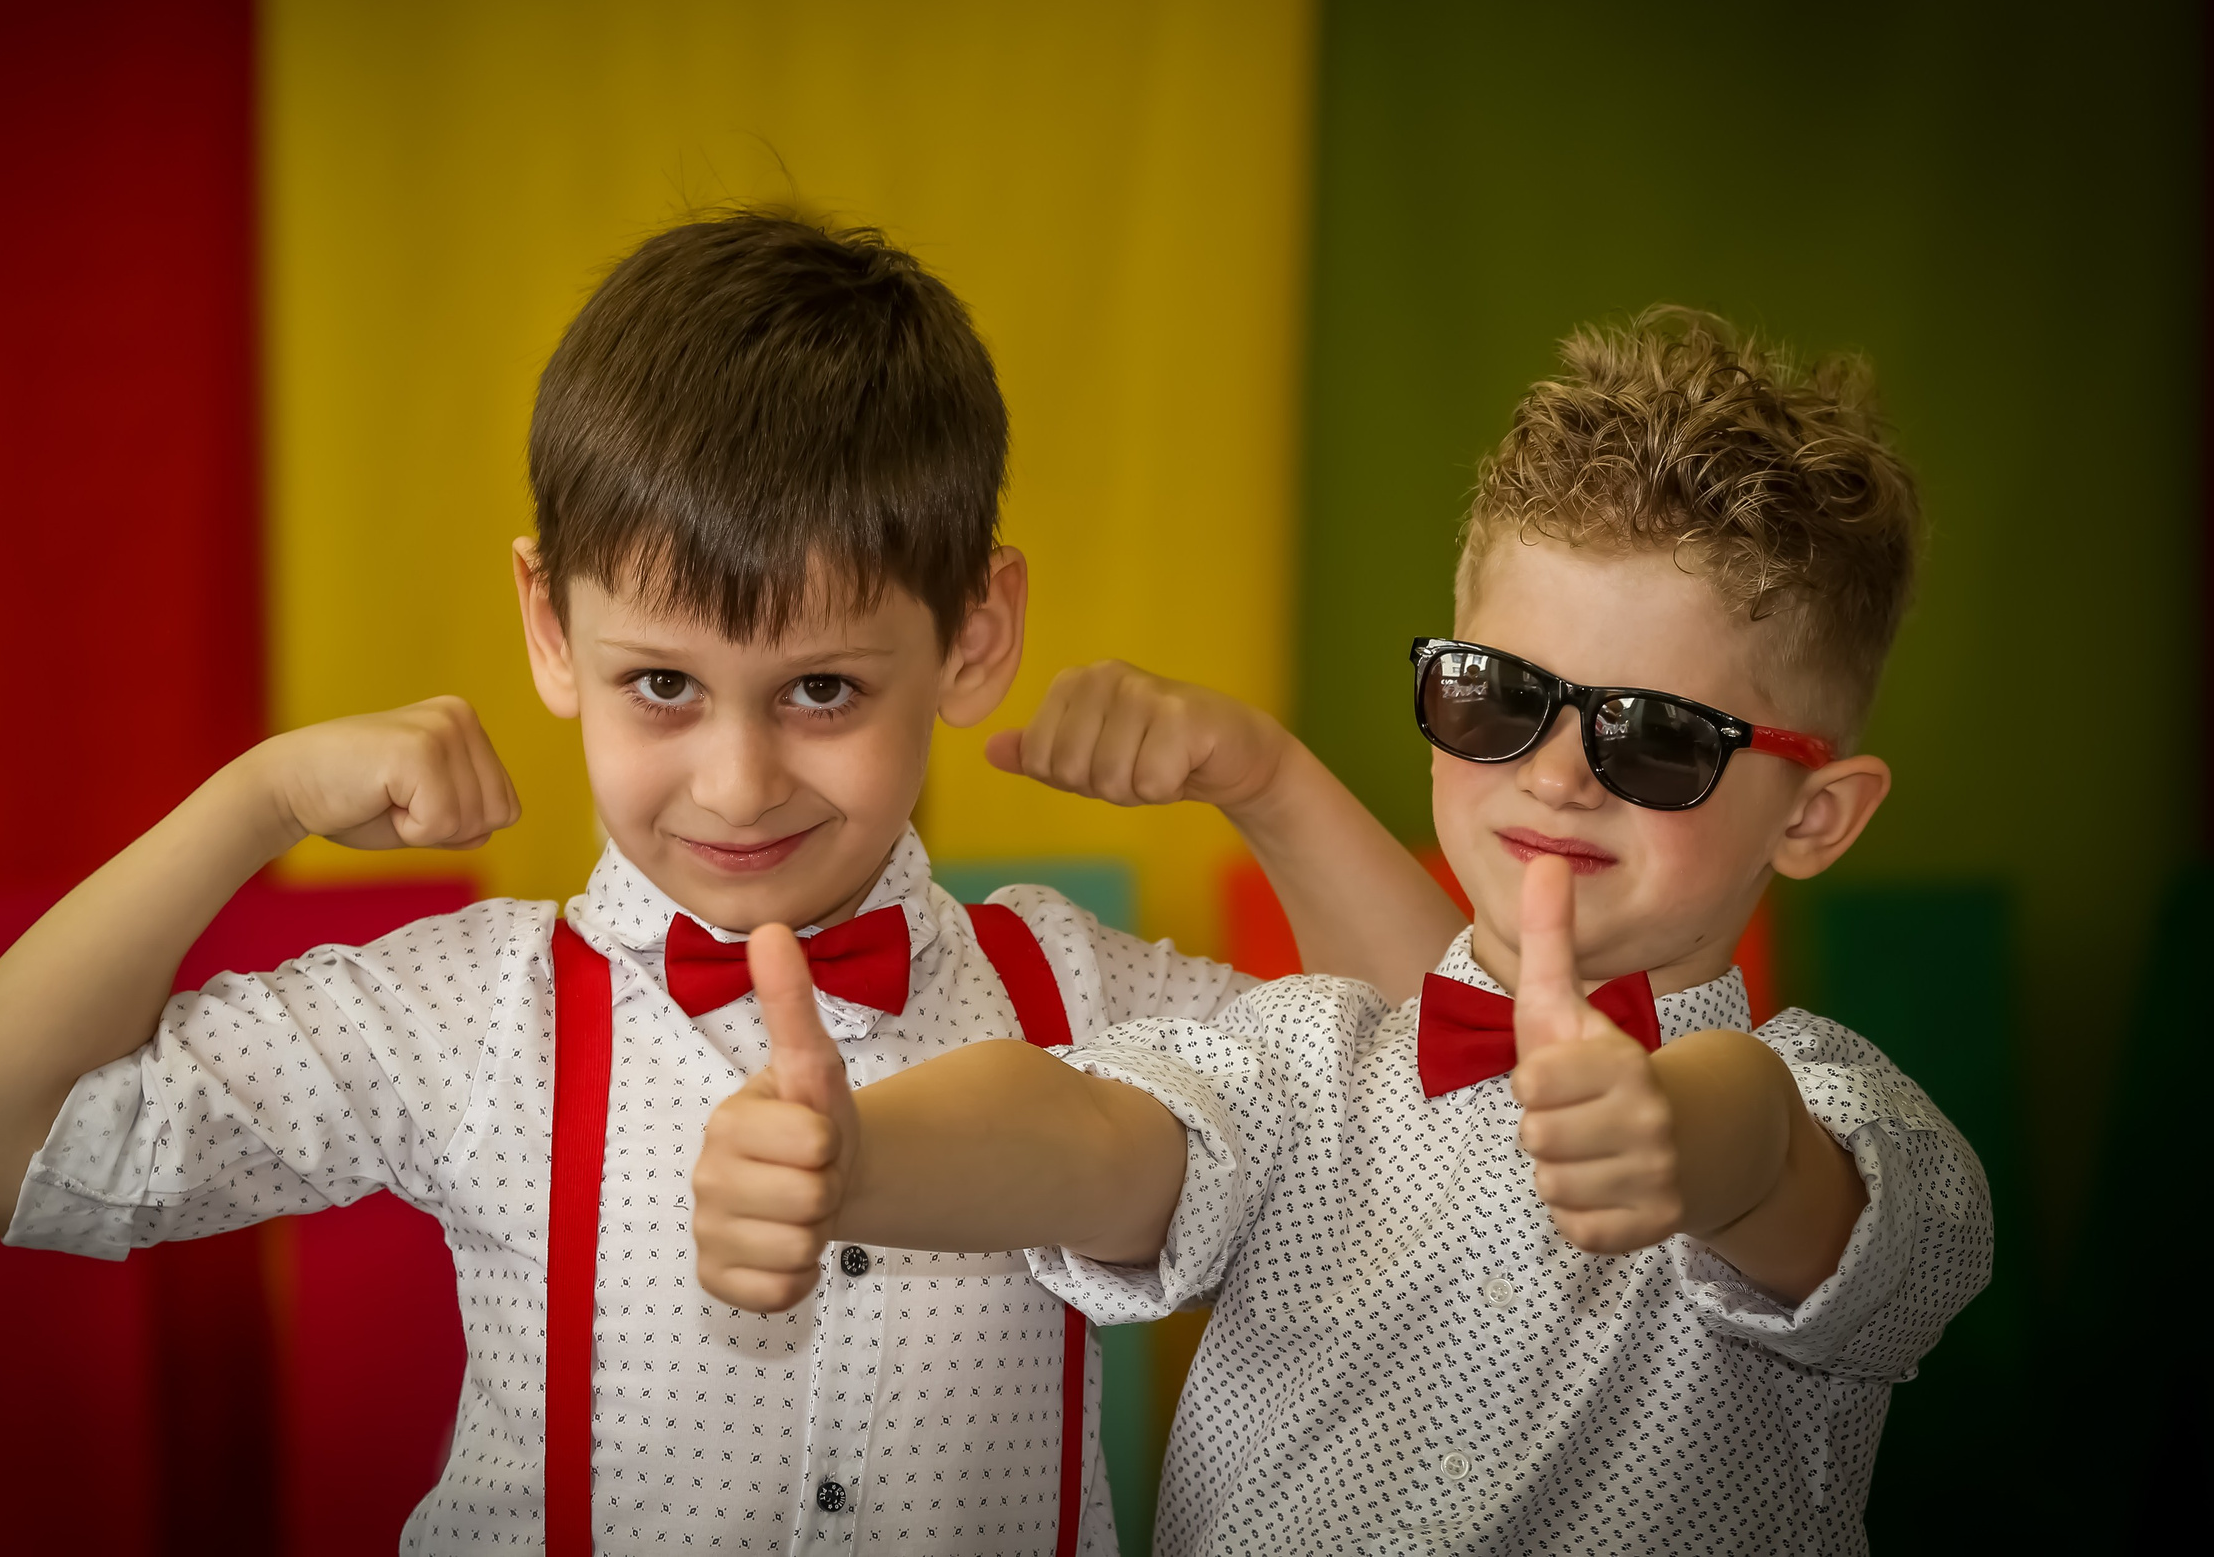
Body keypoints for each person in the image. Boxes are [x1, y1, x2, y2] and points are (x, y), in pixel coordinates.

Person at [0, 210, 1461, 1555]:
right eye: (664, 687)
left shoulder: (1084, 998)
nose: (739, 781)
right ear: (550, 629)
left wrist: (1269, 782)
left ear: (974, 637)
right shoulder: (468, 1014)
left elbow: (1456, 1122)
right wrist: (253, 798)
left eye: (823, 691)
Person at [693, 309, 1994, 1554]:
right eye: (1500, 697)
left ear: (1815, 817)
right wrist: (862, 1156)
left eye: (1655, 735)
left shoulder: (1859, 1126)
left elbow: (1770, 1150)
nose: (1558, 775)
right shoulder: (1305, 1054)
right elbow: (1089, 1137)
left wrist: (1683, 1132)